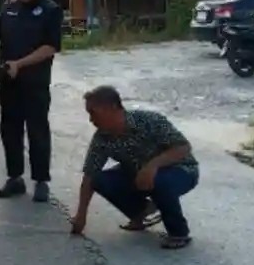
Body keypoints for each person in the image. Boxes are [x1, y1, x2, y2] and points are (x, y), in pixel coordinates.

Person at [69, 86, 199, 250]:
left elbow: (183, 147)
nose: (91, 120)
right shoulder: (102, 138)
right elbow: (89, 174)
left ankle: (178, 233)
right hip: (137, 175)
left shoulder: (149, 121)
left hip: (180, 171)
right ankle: (141, 212)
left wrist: (153, 165)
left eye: (93, 113)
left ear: (112, 108)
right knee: (100, 179)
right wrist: (81, 215)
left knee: (160, 182)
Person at [0, 0, 63, 201]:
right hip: (9, 81)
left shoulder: (50, 10)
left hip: (35, 82)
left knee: (37, 130)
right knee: (10, 130)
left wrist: (20, 64)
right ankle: (15, 178)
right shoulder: (9, 9)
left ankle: (41, 180)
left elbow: (50, 47)